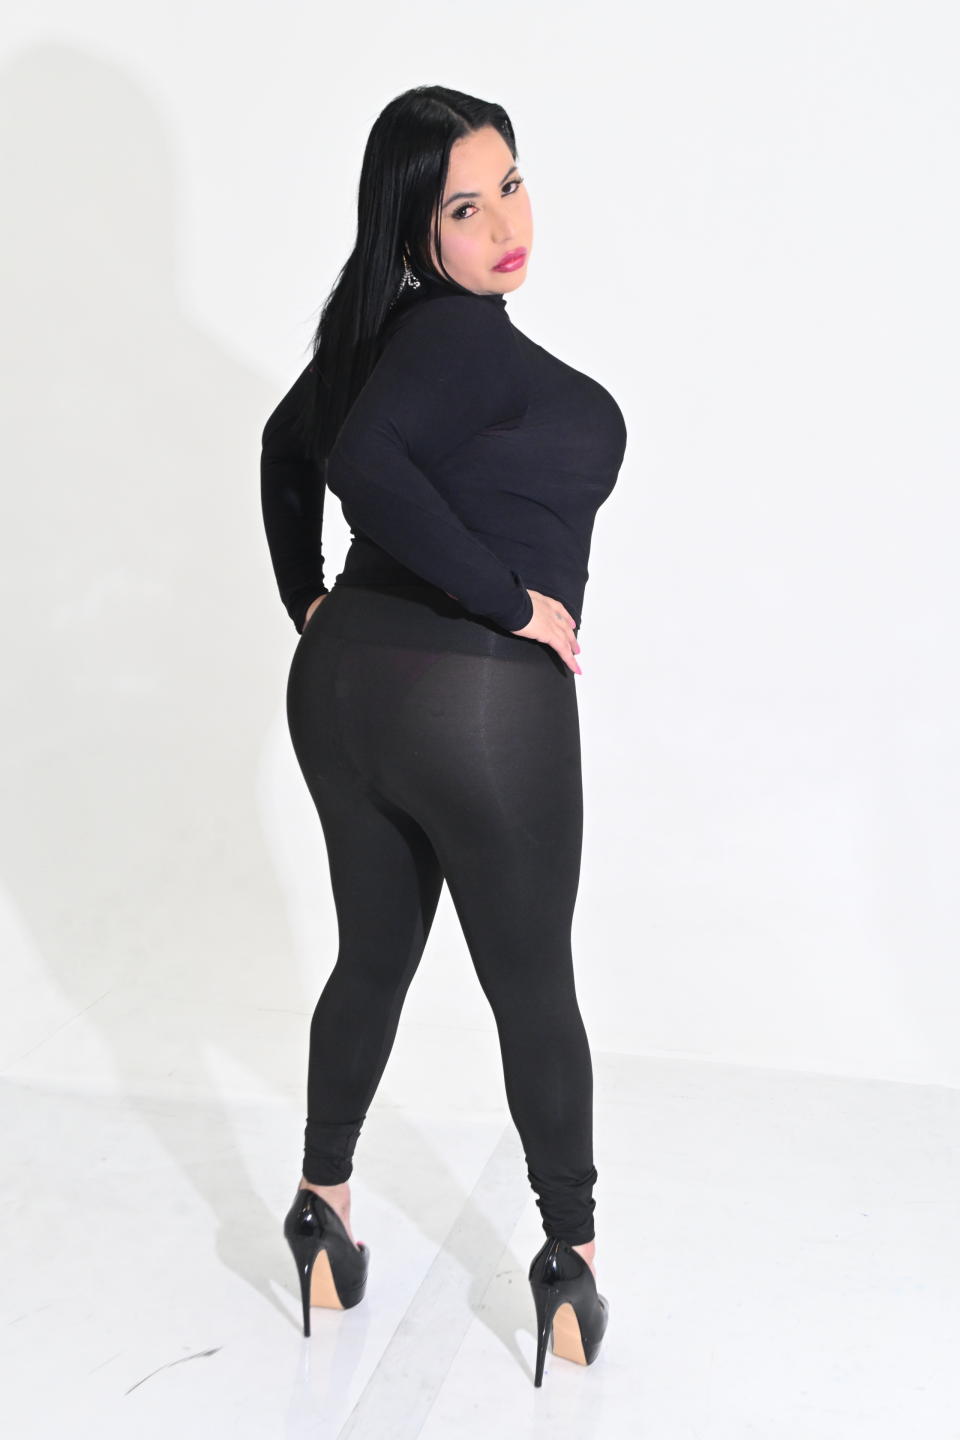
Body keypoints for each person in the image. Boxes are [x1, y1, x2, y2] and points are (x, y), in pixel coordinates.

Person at [261, 85, 626, 1385]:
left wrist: (308, 597)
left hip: (342, 686)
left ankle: (322, 1209)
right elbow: (357, 459)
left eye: (510, 184)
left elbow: (290, 447)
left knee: (373, 957)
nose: (505, 226)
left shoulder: (374, 339)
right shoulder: (460, 341)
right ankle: (570, 1260)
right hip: (477, 702)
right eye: (465, 209)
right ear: (415, 228)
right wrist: (510, 603)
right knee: (533, 987)